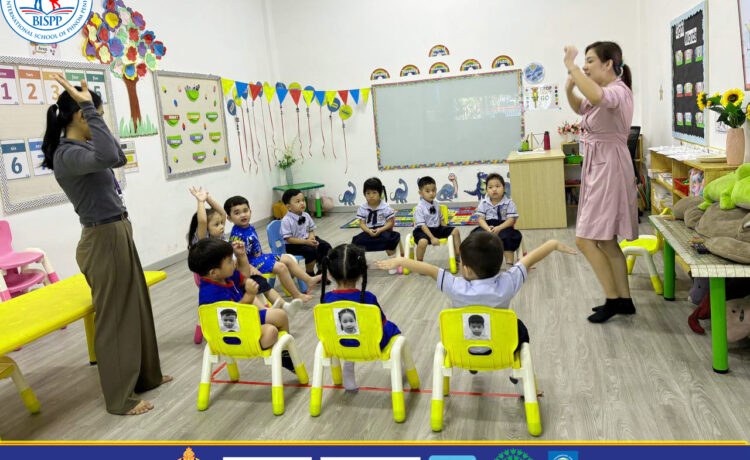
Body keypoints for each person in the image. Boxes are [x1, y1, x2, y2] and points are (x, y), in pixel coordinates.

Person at [40, 75, 170, 415]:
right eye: (96, 114)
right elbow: (112, 155)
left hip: (116, 231)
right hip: (102, 238)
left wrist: (90, 111)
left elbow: (118, 158)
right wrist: (87, 105)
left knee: (136, 306)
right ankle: (120, 398)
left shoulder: (82, 148)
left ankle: (147, 377)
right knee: (114, 319)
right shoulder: (67, 155)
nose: (100, 120)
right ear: (83, 117)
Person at [376, 232, 576, 372]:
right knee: (519, 327)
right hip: (502, 347)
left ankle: (472, 365)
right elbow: (529, 259)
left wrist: (401, 261)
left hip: (461, 346)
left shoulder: (455, 287)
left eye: (461, 261)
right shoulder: (507, 283)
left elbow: (427, 268)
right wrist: (553, 245)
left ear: (467, 270)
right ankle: (521, 375)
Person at [563, 41, 638, 323]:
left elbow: (595, 96)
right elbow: (582, 107)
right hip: (601, 165)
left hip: (608, 168)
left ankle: (612, 299)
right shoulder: (602, 93)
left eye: (591, 60)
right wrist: (570, 87)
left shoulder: (617, 91)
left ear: (609, 64)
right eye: (584, 61)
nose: (585, 65)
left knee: (584, 240)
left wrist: (571, 66)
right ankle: (624, 300)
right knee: (606, 241)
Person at [188, 238, 296, 371]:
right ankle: (283, 353)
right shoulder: (211, 293)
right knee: (271, 332)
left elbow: (245, 275)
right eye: (229, 261)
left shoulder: (224, 276)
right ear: (213, 272)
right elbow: (233, 317)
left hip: (244, 322)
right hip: (233, 336)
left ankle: (284, 353)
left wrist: (241, 255)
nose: (233, 262)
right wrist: (249, 296)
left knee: (280, 315)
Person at [320, 244, 402, 392]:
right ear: (361, 274)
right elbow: (380, 324)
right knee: (392, 328)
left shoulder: (326, 299)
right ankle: (400, 368)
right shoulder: (368, 298)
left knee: (350, 332)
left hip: (337, 345)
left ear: (330, 274)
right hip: (371, 345)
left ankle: (349, 366)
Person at [224, 195, 320, 302]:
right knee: (281, 267)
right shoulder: (236, 236)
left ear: (250, 211)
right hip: (250, 264)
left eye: (245, 211)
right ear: (229, 218)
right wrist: (251, 268)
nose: (243, 215)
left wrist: (263, 255)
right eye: (237, 213)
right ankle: (297, 295)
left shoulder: (249, 226)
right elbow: (236, 259)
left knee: (288, 258)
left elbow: (255, 247)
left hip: (260, 257)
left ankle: (309, 279)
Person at [472, 173, 523, 266]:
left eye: (497, 186)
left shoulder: (509, 203)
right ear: (486, 190)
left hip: (504, 226)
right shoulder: (483, 203)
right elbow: (481, 219)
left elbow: (511, 220)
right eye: (490, 187)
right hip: (487, 226)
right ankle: (482, 264)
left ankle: (509, 265)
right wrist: (487, 229)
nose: (494, 189)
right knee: (476, 237)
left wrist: (499, 228)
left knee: (508, 237)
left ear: (504, 188)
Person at [352, 178, 403, 269]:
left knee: (390, 240)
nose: (371, 196)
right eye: (368, 193)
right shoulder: (362, 208)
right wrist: (368, 231)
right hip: (369, 230)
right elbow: (362, 223)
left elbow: (390, 222)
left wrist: (381, 229)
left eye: (374, 192)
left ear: (380, 193)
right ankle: (361, 263)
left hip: (383, 229)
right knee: (357, 241)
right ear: (364, 194)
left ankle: (392, 264)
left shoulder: (385, 207)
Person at [281, 189, 332, 276]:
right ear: (289, 207)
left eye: (303, 200)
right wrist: (306, 242)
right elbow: (289, 239)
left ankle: (321, 270)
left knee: (325, 246)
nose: (302, 203)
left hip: (307, 239)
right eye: (298, 201)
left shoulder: (306, 215)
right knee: (311, 251)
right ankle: (309, 272)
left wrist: (311, 237)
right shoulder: (286, 220)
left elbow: (310, 230)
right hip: (293, 245)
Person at [413, 176, 461, 263]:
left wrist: (446, 229)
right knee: (423, 242)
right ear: (420, 193)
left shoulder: (436, 204)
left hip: (437, 228)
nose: (431, 193)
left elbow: (441, 219)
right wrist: (432, 238)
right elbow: (422, 226)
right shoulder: (419, 208)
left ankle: (459, 256)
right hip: (423, 230)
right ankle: (419, 262)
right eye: (427, 191)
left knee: (455, 231)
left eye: (433, 190)